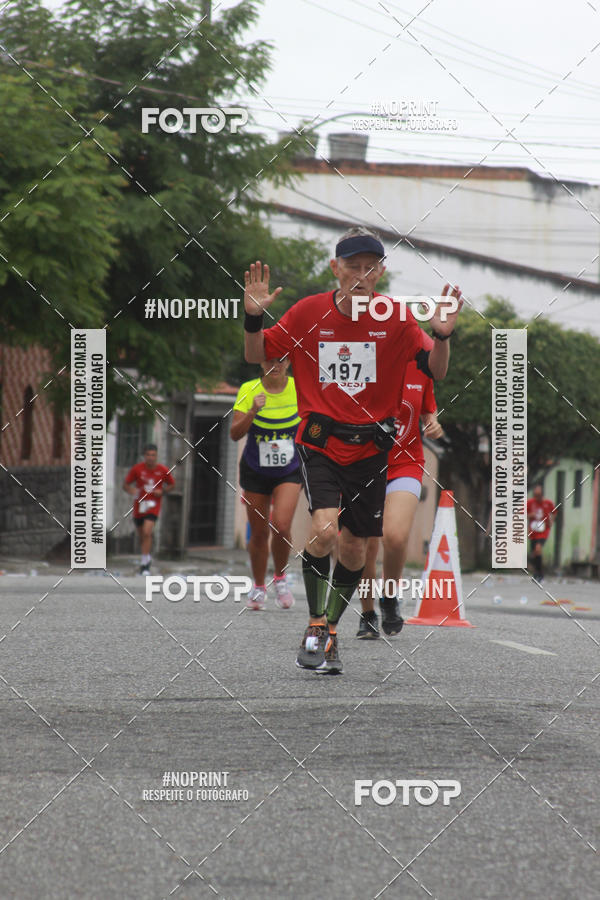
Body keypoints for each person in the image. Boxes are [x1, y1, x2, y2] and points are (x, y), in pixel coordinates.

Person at [243, 225, 463, 674]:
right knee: (324, 530)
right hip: (321, 441)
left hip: (371, 449)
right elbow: (256, 354)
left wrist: (441, 337)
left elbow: (435, 370)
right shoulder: (308, 313)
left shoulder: (396, 317)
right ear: (335, 268)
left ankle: (331, 630)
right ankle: (314, 625)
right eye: (353, 266)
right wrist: (252, 318)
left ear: (380, 273)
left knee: (356, 550)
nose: (361, 275)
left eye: (370, 267)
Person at [357, 343, 444, 638]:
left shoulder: (422, 368)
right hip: (363, 464)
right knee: (366, 545)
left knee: (394, 537)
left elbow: (428, 411)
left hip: (406, 463)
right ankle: (367, 614)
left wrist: (433, 424)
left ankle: (390, 597)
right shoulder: (364, 360)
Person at [231, 358, 302, 610]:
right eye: (270, 360)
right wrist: (252, 411)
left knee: (281, 526)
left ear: (289, 362)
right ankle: (259, 586)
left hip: (289, 469)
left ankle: (280, 579)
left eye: (281, 359)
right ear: (261, 363)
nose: (275, 364)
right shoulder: (248, 388)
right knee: (259, 532)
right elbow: (234, 433)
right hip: (255, 469)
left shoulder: (299, 387)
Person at [123, 443, 175, 575]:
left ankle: (145, 564)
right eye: (148, 455)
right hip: (140, 506)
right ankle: (146, 557)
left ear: (156, 456)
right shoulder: (137, 469)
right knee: (142, 535)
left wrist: (162, 491)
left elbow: (172, 484)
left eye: (153, 455)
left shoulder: (162, 470)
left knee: (147, 532)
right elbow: (126, 484)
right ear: (144, 456)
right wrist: (132, 490)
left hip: (153, 505)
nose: (151, 458)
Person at [527, 483, 556, 583]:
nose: (537, 497)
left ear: (542, 495)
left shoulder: (548, 503)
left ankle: (540, 573)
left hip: (544, 530)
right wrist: (530, 515)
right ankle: (537, 572)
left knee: (538, 548)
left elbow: (554, 512)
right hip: (533, 530)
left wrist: (551, 521)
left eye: (539, 495)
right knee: (535, 552)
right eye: (536, 495)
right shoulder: (530, 503)